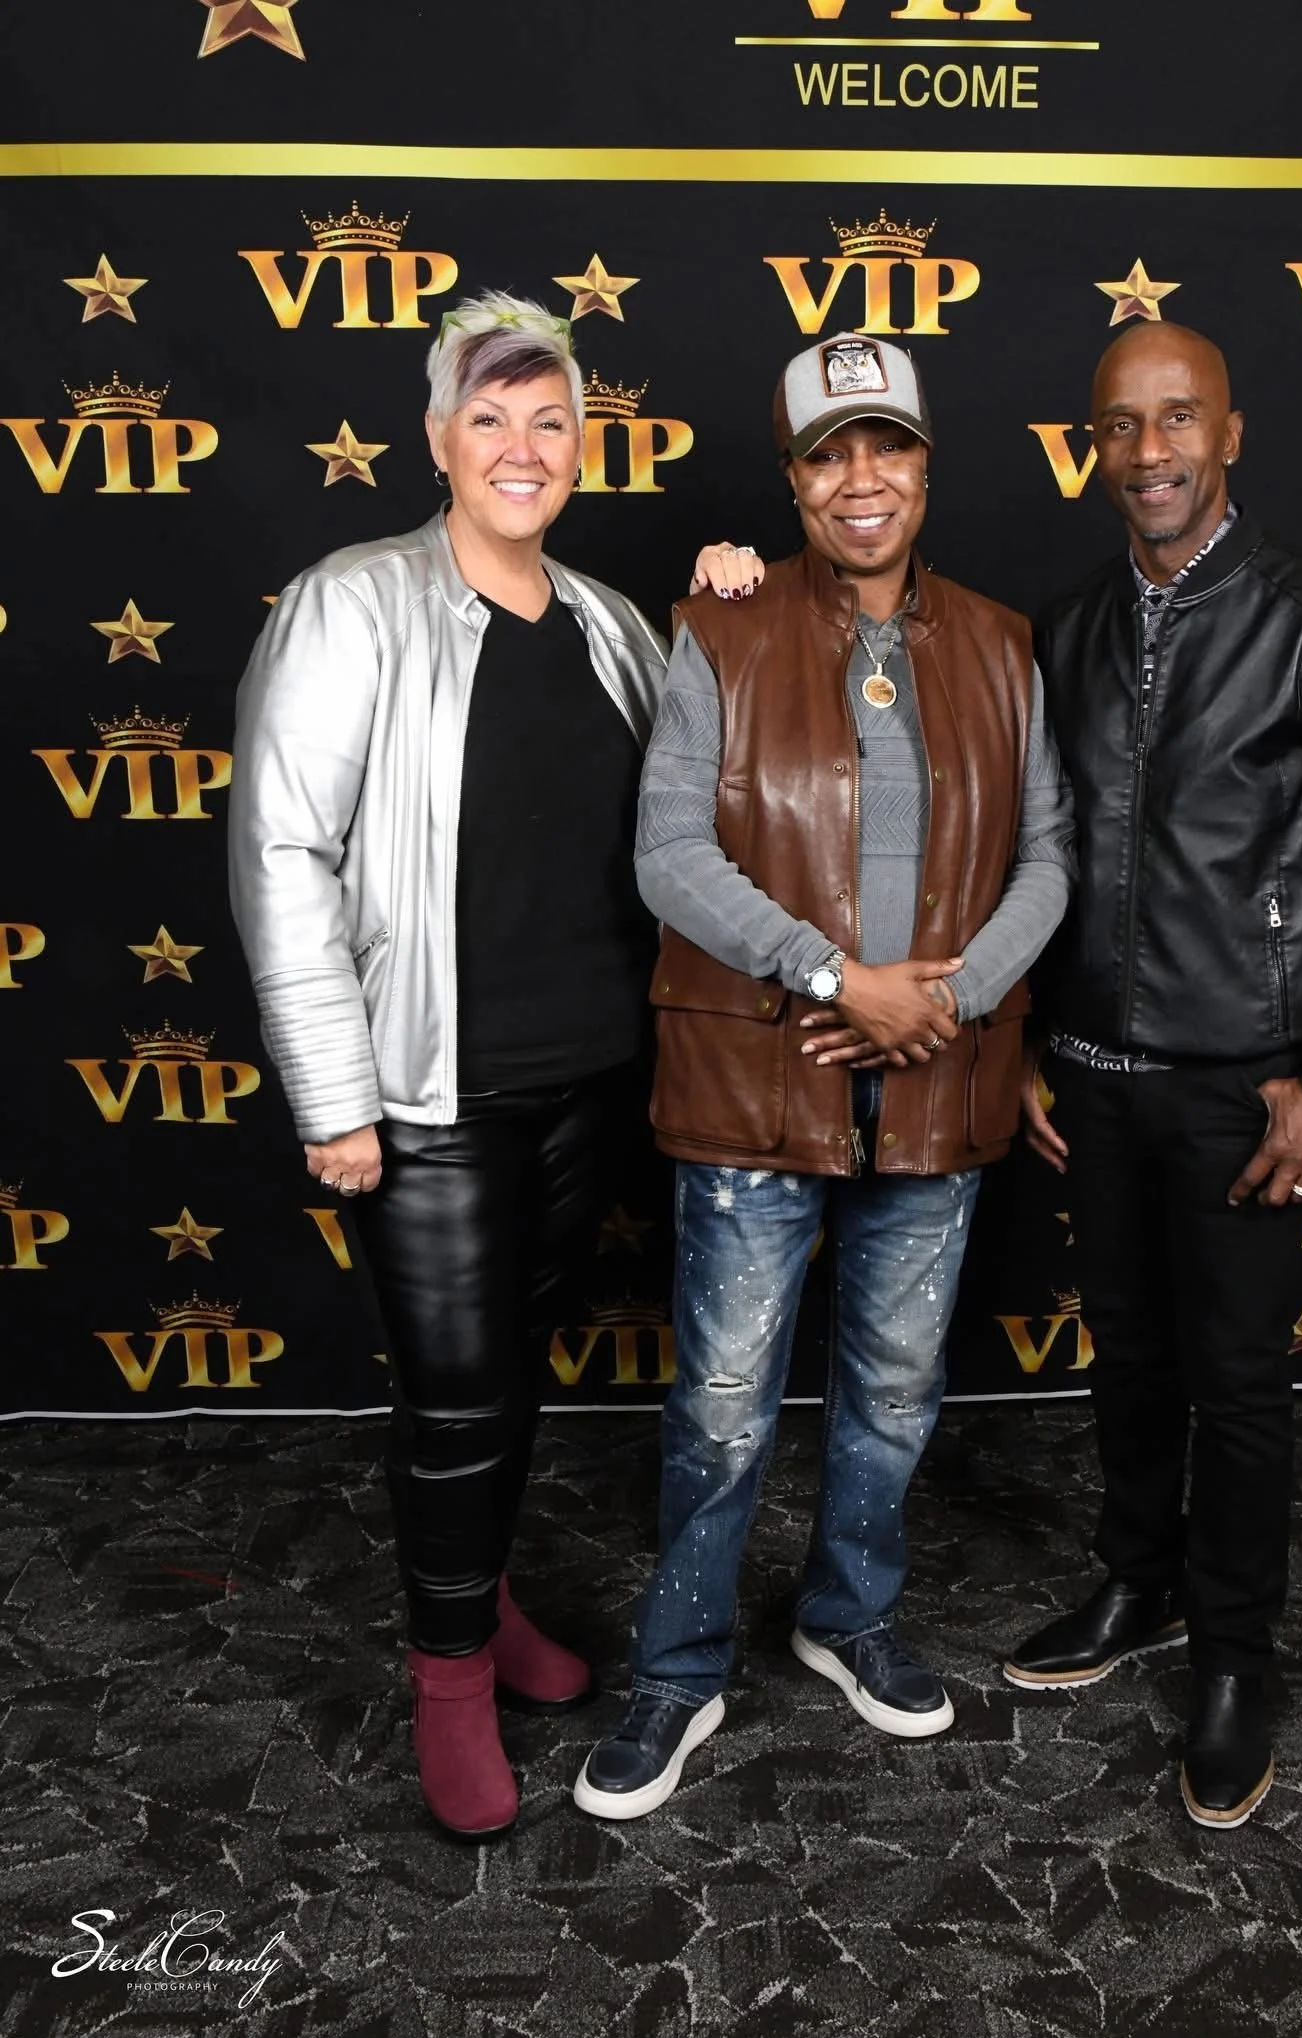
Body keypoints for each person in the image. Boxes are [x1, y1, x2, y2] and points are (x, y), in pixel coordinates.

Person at [228, 291, 762, 1841]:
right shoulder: (352, 600)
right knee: (456, 1400)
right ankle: (451, 1681)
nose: (521, 446)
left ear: (581, 444)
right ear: (438, 438)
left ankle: (493, 1601)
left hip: (586, 1079)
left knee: (514, 1373)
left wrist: (726, 606)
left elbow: (699, 794)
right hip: (423, 1093)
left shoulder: (605, 620)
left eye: (550, 419)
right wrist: (332, 1100)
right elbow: (280, 851)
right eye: (490, 416)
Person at [573, 332, 1075, 1820]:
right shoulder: (717, 629)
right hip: (756, 1082)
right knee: (723, 1406)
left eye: (887, 447)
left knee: (897, 1394)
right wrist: (828, 973)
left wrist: (952, 997)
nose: (862, 478)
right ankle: (677, 1669)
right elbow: (667, 855)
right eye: (828, 453)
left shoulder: (998, 640)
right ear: (791, 480)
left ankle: (848, 1618)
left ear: (925, 466)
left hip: (933, 1087)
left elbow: (1046, 856)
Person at [1003, 321, 1302, 1830]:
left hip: (1248, 1092)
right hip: (1091, 1076)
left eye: (1178, 419)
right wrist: (1021, 1040)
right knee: (1127, 1360)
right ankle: (1139, 1587)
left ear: (1231, 433)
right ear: (1093, 447)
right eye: (1120, 426)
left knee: (1237, 1388)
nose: (1151, 452)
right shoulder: (1061, 631)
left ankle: (1236, 1656)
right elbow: (1033, 859)